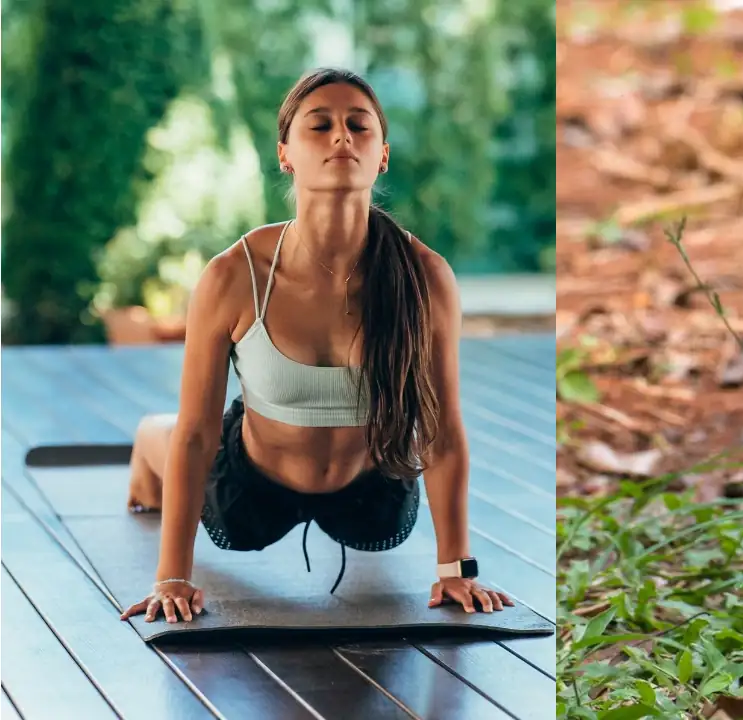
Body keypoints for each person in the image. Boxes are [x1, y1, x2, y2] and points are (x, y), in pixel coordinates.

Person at [120, 67, 513, 625]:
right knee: (170, 434)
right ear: (285, 153)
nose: (341, 136)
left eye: (359, 125)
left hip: (370, 497)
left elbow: (443, 428)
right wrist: (173, 577)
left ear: (382, 155)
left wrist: (456, 569)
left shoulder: (425, 275)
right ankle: (144, 440)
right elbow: (199, 432)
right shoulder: (234, 275)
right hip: (251, 489)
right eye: (319, 125)